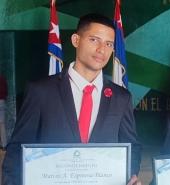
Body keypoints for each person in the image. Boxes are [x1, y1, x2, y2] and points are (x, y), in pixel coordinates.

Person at [2, 13, 141, 185]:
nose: (101, 50)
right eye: (94, 40)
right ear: (76, 40)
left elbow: (132, 147)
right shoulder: (41, 91)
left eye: (109, 44)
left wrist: (130, 175)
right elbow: (17, 149)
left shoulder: (121, 97)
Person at [0, 74, 7, 148]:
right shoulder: (2, 77)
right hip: (2, 101)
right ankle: (4, 144)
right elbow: (6, 91)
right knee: (2, 124)